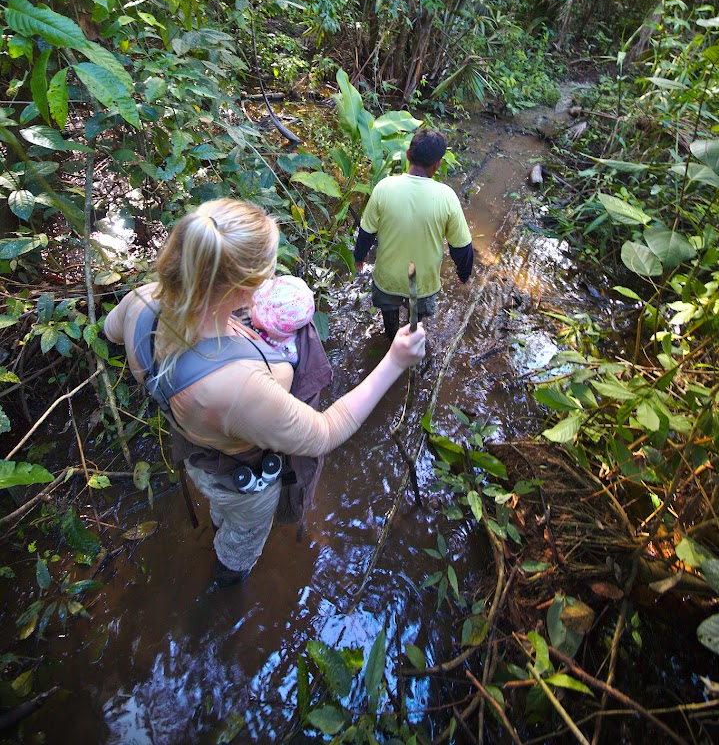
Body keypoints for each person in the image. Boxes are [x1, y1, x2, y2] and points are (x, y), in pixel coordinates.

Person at [103, 198, 425, 588]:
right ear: (244, 292)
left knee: (220, 505)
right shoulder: (238, 386)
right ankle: (228, 575)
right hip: (244, 483)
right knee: (241, 536)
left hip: (194, 452)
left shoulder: (141, 301)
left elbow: (110, 331)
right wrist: (394, 360)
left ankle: (220, 520)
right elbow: (324, 433)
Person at [353, 127, 474, 339]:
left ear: (408, 156)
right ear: (437, 164)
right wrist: (463, 273)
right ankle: (412, 342)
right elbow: (462, 247)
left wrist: (359, 257)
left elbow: (366, 232)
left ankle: (392, 342)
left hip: (387, 279)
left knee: (389, 319)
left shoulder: (384, 188)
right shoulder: (447, 197)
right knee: (415, 323)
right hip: (422, 283)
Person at [251, 274, 315, 365]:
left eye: (257, 305)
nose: (253, 305)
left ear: (268, 325)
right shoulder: (279, 327)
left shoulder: (286, 354)